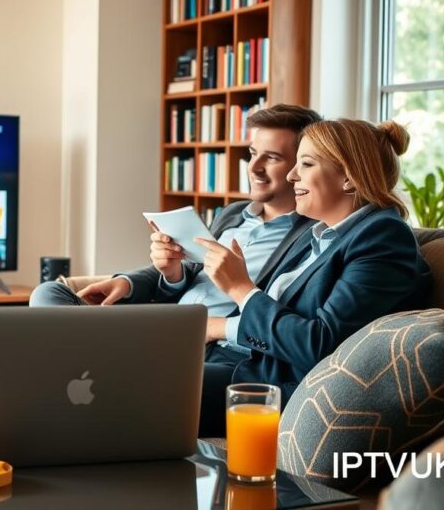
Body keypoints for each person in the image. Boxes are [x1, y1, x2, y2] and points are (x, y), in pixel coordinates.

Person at [192, 119, 431, 436]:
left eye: (305, 164)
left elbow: (321, 343)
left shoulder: (383, 237)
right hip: (234, 357)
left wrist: (241, 289)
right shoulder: (316, 234)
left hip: (271, 386)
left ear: (348, 177)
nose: (292, 175)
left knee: (146, 385)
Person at [29, 105, 323, 362]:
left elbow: (281, 319)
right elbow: (189, 274)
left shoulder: (311, 237)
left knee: (62, 345)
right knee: (48, 293)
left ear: (299, 166)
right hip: (164, 326)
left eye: (271, 158)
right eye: (252, 154)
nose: (254, 167)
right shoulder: (234, 213)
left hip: (216, 347)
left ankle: (82, 360)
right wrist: (155, 276)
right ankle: (88, 358)